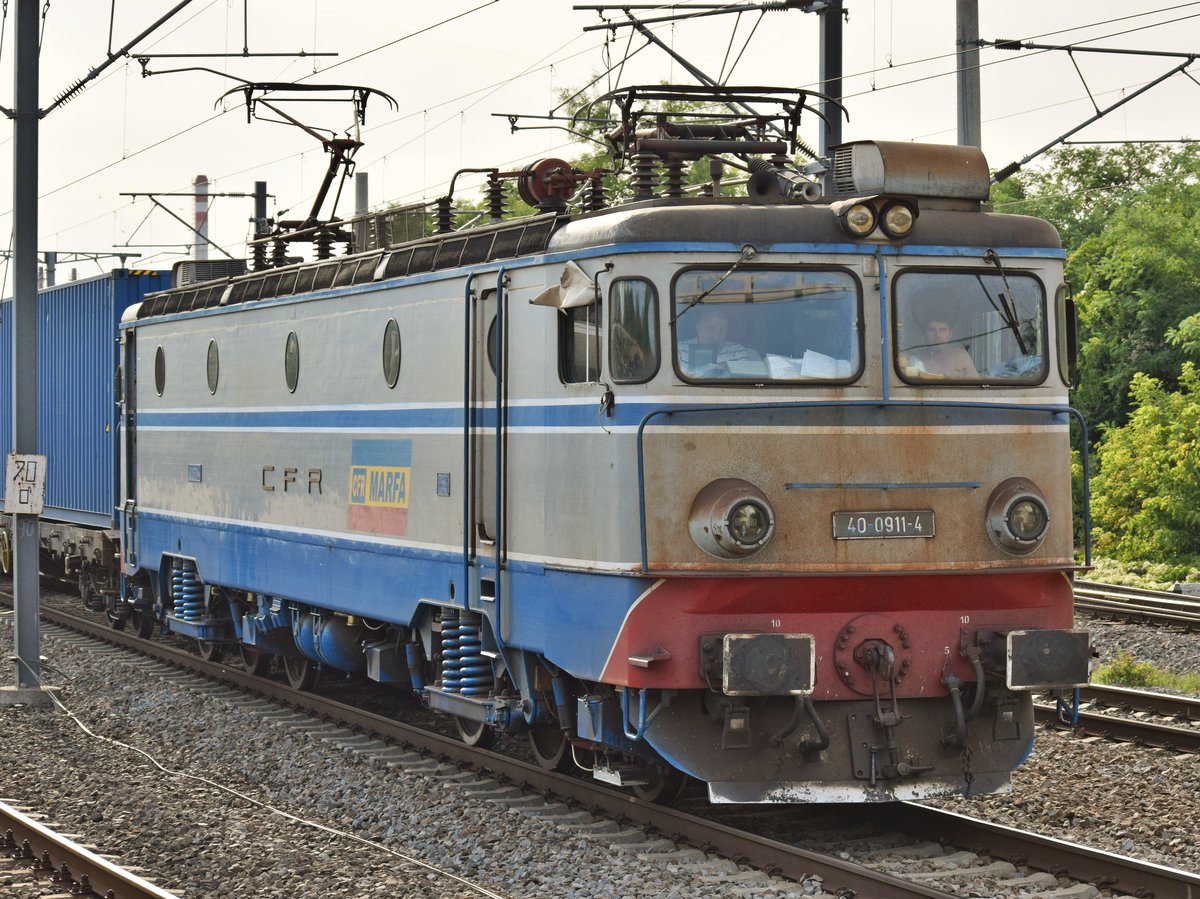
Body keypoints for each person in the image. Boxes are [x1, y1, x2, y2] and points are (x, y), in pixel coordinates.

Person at [678, 306, 764, 377]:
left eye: (722, 330)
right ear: (698, 329)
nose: (716, 337)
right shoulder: (680, 350)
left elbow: (742, 385)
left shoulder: (737, 352)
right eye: (710, 329)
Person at [907, 317, 978, 378]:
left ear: (950, 334)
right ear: (925, 334)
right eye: (931, 330)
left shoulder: (961, 356)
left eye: (942, 330)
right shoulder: (917, 359)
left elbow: (974, 387)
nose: (937, 335)